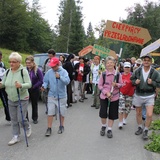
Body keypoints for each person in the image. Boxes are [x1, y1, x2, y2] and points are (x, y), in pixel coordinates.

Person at [0, 52, 32, 146]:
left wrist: (21, 85)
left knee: (20, 118)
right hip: (11, 98)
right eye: (10, 62)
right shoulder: (8, 71)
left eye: (13, 62)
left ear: (18, 62)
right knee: (13, 119)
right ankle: (15, 136)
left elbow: (29, 84)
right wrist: (1, 84)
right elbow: (4, 83)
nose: (11, 64)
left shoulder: (23, 71)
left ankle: (27, 127)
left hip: (22, 98)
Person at [130, 54, 160, 140]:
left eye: (148, 60)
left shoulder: (154, 72)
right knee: (138, 112)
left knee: (149, 114)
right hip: (139, 94)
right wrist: (135, 82)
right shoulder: (138, 71)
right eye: (145, 60)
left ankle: (146, 130)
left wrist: (153, 83)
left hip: (149, 95)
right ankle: (140, 127)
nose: (146, 62)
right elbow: (131, 80)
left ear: (151, 62)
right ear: (143, 61)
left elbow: (159, 83)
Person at [42, 57, 70, 136]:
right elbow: (45, 81)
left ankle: (61, 126)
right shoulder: (49, 72)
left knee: (61, 112)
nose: (52, 68)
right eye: (52, 66)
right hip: (51, 95)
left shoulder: (64, 72)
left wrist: (60, 77)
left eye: (54, 66)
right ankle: (49, 128)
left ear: (58, 64)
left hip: (61, 96)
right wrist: (44, 86)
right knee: (50, 112)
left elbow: (67, 81)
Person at [98, 56, 122, 138]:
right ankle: (103, 126)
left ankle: (109, 129)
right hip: (104, 97)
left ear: (114, 64)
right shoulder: (103, 74)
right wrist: (106, 92)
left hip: (114, 97)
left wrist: (116, 85)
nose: (110, 64)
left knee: (112, 114)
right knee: (103, 113)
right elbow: (100, 86)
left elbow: (121, 84)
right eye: (108, 63)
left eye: (111, 62)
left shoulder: (118, 74)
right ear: (106, 64)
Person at [25, 55, 43, 124]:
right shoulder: (25, 70)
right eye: (26, 63)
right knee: (25, 104)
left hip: (34, 89)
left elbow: (41, 80)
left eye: (29, 63)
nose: (28, 64)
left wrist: (34, 86)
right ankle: (25, 118)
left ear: (33, 62)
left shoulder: (37, 70)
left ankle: (35, 118)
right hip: (26, 89)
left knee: (34, 104)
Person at [118, 62, 135, 129]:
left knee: (127, 108)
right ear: (123, 68)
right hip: (122, 93)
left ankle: (124, 118)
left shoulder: (132, 75)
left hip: (130, 94)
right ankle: (120, 122)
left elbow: (135, 83)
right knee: (121, 108)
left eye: (128, 67)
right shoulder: (120, 75)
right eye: (126, 67)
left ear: (130, 68)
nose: (127, 69)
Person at [0, 51, 11, 123]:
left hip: (2, 86)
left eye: (1, 56)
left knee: (5, 102)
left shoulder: (2, 64)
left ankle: (8, 117)